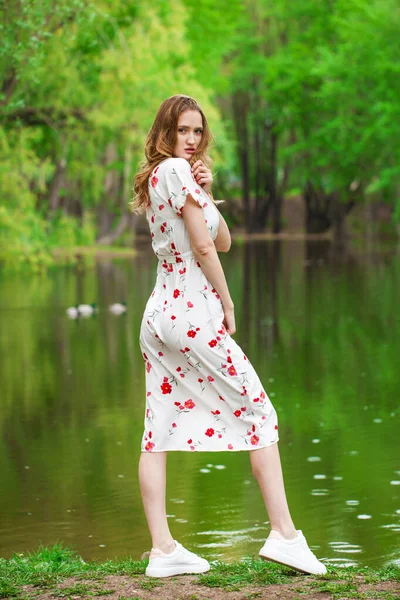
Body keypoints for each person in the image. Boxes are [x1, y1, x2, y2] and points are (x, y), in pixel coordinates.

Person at [129, 95, 327, 579]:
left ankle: (163, 550)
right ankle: (284, 535)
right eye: (183, 131)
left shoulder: (168, 176)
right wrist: (229, 302)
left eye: (198, 132)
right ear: (165, 132)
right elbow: (202, 248)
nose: (192, 140)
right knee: (260, 412)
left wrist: (208, 193)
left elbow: (223, 238)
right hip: (191, 312)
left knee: (157, 427)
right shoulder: (174, 171)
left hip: (158, 317)